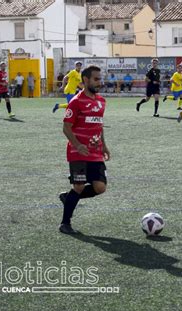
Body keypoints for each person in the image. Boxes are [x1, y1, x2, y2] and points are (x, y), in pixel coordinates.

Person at [58, 65, 110, 234]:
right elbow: (66, 127)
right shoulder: (75, 102)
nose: (99, 82)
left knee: (100, 187)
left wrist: (104, 145)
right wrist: (77, 144)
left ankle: (68, 197)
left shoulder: (101, 101)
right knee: (79, 187)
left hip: (95, 152)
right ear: (85, 80)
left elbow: (99, 125)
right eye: (96, 79)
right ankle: (65, 223)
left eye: (99, 79)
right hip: (77, 153)